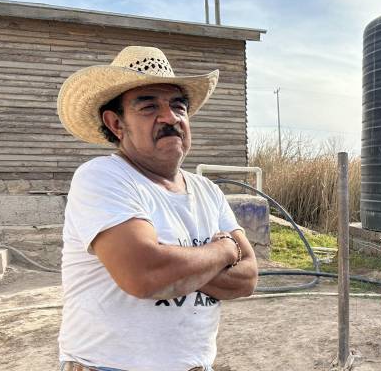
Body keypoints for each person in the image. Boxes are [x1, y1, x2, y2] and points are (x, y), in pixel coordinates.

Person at [56, 46, 258, 371]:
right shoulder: (103, 177)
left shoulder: (208, 191)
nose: (170, 118)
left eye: (178, 106)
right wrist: (223, 250)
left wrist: (173, 263)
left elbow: (247, 279)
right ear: (116, 124)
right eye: (149, 107)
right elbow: (145, 275)